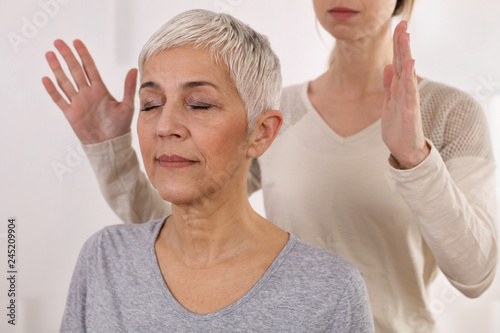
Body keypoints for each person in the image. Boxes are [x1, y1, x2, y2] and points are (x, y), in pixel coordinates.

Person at [43, 1, 497, 332]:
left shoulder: (448, 114)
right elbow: (188, 225)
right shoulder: (280, 110)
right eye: (153, 104)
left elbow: (476, 273)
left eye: (199, 103)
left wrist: (414, 159)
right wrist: (111, 148)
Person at [50, 9, 374, 333]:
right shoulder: (105, 258)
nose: (164, 126)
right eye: (150, 104)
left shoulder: (330, 291)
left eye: (199, 104)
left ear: (260, 133)